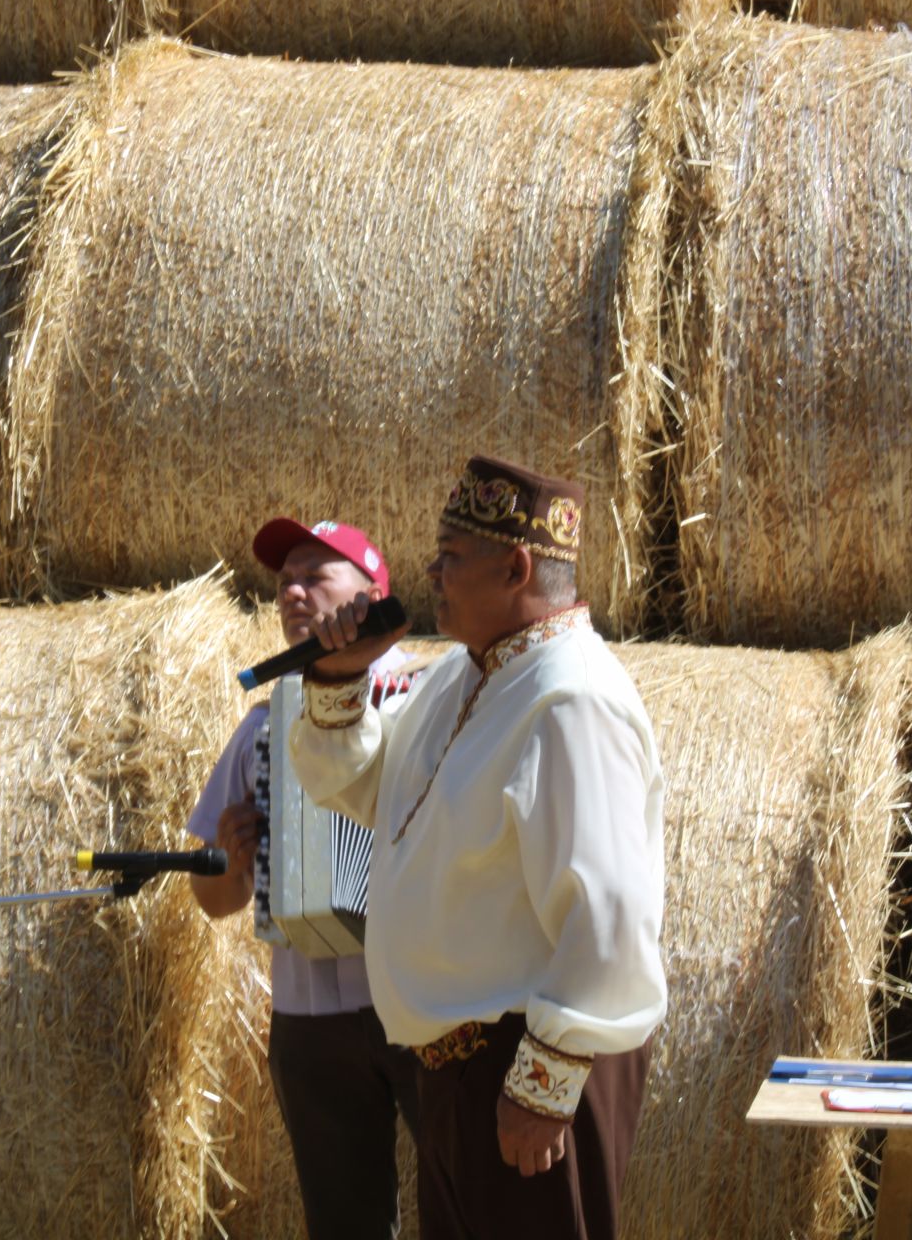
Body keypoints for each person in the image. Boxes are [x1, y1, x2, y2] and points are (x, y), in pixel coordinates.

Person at [288, 455, 666, 1240]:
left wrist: (545, 1081)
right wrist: (337, 679)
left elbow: (611, 909)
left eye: (452, 555)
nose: (432, 571)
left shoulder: (572, 698)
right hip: (464, 1072)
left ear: (516, 566)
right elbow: (364, 791)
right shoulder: (464, 679)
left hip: (523, 1066)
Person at [186, 518, 422, 1240]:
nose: (291, 590)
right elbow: (216, 902)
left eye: (315, 574)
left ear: (371, 591)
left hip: (421, 1000)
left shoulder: (425, 695)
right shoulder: (262, 726)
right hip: (308, 1018)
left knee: (463, 1207)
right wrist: (231, 862)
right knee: (343, 1221)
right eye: (283, 578)